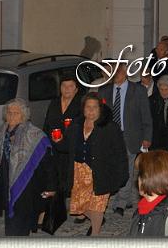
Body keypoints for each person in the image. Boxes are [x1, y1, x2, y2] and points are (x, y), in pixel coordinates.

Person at [0, 99, 56, 236]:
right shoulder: (0, 133)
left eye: (16, 113)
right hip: (5, 182)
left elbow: (48, 164)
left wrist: (51, 186)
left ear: (24, 115)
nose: (12, 115)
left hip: (25, 184)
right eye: (9, 112)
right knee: (11, 218)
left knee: (21, 219)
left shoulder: (34, 134)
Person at [62, 93, 128, 236]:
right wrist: (59, 141)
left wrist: (122, 174)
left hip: (101, 171)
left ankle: (95, 234)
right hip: (79, 171)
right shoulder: (76, 125)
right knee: (80, 205)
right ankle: (96, 220)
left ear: (100, 109)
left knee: (98, 206)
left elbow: (120, 153)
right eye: (88, 107)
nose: (91, 110)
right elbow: (67, 147)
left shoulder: (110, 127)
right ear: (83, 109)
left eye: (95, 107)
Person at [98, 62, 152, 217]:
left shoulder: (138, 90)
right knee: (112, 167)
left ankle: (120, 203)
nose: (116, 75)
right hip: (111, 137)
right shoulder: (104, 91)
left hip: (131, 136)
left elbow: (146, 115)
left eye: (118, 72)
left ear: (125, 72)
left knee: (127, 169)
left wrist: (147, 137)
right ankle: (124, 197)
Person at [43, 75, 83, 196]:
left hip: (71, 148)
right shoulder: (54, 103)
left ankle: (68, 197)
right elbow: (47, 123)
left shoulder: (81, 104)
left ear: (76, 89)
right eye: (64, 86)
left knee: (69, 178)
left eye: (70, 86)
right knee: (54, 177)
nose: (67, 89)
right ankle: (57, 199)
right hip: (54, 146)